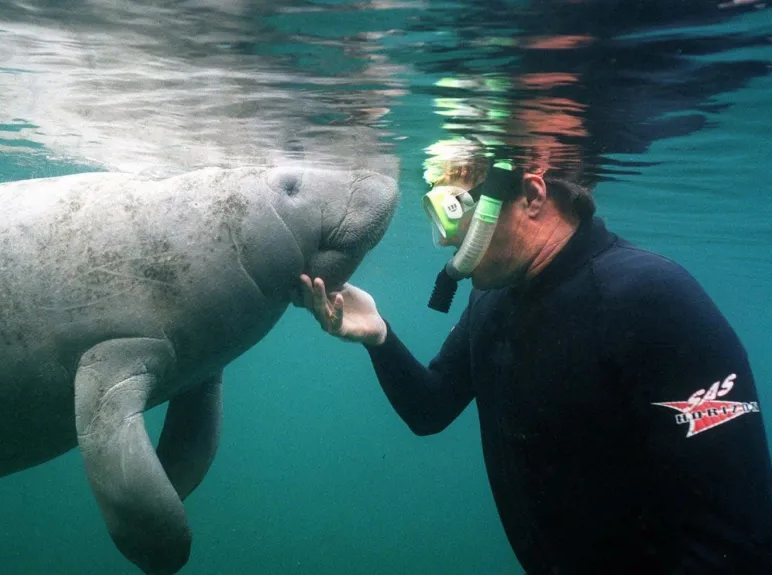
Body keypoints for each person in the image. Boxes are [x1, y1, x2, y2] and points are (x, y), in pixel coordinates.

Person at [297, 149, 772, 574]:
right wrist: (378, 337)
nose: (445, 242)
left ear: (532, 195)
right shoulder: (492, 303)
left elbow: (738, 539)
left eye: (455, 211)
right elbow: (430, 409)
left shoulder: (651, 296)